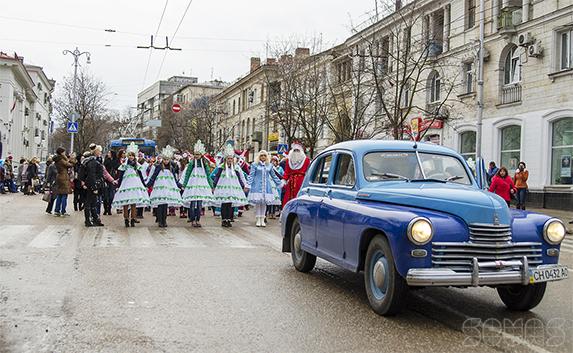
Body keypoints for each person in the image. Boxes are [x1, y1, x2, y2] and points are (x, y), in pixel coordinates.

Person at [112, 144, 150, 227]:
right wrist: (118, 186)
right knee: (125, 203)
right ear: (127, 156)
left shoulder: (137, 165)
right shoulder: (124, 165)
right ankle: (126, 219)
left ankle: (133, 219)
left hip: (135, 185)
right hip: (126, 185)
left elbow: (140, 176)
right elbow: (120, 176)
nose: (131, 157)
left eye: (132, 155)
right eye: (130, 155)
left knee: (133, 204)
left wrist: (144, 185)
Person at [212, 144, 248, 228]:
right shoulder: (221, 167)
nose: (230, 160)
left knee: (230, 204)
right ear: (225, 159)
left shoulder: (236, 168)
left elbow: (241, 177)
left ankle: (228, 219)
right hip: (223, 187)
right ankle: (224, 219)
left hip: (233, 188)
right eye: (228, 158)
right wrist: (214, 186)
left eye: (231, 158)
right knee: (224, 204)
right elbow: (217, 177)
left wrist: (244, 185)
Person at [245, 150, 283, 227]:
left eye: (264, 156)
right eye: (261, 155)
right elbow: (251, 175)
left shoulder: (269, 165)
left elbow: (274, 175)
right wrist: (248, 184)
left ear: (267, 157)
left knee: (264, 203)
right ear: (259, 157)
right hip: (257, 186)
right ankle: (258, 219)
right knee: (258, 203)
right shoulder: (255, 165)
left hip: (266, 187)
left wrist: (280, 183)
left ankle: (263, 219)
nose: (263, 157)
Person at [147, 146, 183, 228]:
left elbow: (174, 179)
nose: (166, 161)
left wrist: (180, 185)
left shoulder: (171, 168)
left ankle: (164, 220)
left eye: (167, 159)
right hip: (160, 188)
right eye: (164, 159)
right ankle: (160, 220)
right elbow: (153, 176)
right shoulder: (159, 167)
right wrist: (148, 185)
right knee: (160, 204)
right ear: (162, 159)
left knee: (165, 205)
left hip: (168, 188)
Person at [181, 140, 214, 227]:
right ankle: (192, 219)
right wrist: (184, 185)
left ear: (201, 155)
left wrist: (211, 185)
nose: (196, 156)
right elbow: (187, 175)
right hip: (192, 186)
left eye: (198, 154)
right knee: (192, 204)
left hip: (201, 186)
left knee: (199, 204)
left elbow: (208, 175)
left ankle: (198, 219)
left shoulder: (204, 163)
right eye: (195, 154)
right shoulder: (191, 163)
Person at [81, 146, 105, 227]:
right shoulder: (93, 162)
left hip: (89, 184)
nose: (100, 153)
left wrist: (83, 183)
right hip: (92, 185)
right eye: (100, 151)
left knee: (92, 203)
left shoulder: (88, 161)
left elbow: (82, 175)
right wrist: (94, 187)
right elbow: (92, 175)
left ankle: (94, 220)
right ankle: (89, 220)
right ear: (96, 152)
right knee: (91, 203)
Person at [52, 148, 74, 216]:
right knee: (64, 194)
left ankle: (57, 210)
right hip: (63, 177)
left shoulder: (57, 159)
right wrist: (70, 158)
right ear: (61, 153)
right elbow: (69, 164)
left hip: (59, 177)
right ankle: (63, 211)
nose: (65, 153)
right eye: (64, 152)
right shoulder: (61, 159)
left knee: (59, 194)